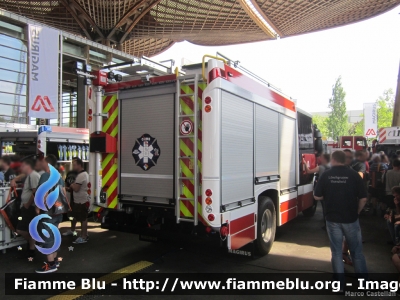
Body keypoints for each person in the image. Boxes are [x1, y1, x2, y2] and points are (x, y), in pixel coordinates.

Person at [314, 150, 368, 290]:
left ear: (333, 159)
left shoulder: (326, 175)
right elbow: (363, 197)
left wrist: (329, 196)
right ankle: (364, 284)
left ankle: (340, 286)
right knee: (356, 252)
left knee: (337, 253)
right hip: (351, 218)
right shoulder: (354, 175)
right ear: (345, 160)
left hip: (332, 219)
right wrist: (357, 211)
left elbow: (317, 196)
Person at [35, 154, 65, 273]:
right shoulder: (59, 176)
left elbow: (43, 194)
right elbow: (63, 192)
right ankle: (55, 261)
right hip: (58, 211)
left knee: (47, 237)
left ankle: (50, 264)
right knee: (54, 235)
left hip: (48, 212)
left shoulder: (45, 176)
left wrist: (38, 209)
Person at [15, 158, 40, 258]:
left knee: (20, 229)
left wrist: (27, 204)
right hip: (28, 207)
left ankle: (32, 244)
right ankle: (31, 248)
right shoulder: (30, 175)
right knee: (29, 229)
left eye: (23, 166)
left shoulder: (33, 175)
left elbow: (36, 192)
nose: (21, 168)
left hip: (29, 208)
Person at [63, 157, 89, 244]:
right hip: (77, 200)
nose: (73, 166)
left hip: (81, 200)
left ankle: (84, 236)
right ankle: (80, 233)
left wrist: (72, 186)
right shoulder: (80, 174)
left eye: (74, 165)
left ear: (79, 165)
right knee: (78, 216)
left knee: (83, 218)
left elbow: (76, 188)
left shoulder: (81, 175)